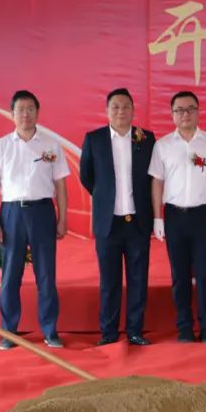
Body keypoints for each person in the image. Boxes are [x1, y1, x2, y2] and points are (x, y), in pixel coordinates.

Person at [0, 90, 69, 349]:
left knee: (46, 275)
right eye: (20, 109)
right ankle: (9, 332)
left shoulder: (51, 145)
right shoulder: (1, 145)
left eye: (31, 109)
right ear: (12, 114)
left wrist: (62, 219)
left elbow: (61, 186)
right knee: (11, 275)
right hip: (12, 213)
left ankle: (50, 331)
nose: (26, 114)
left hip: (42, 211)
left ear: (37, 112)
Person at [79, 88, 155, 346]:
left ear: (133, 110)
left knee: (138, 280)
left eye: (126, 107)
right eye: (115, 107)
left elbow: (153, 177)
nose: (121, 111)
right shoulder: (94, 139)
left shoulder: (146, 138)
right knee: (109, 281)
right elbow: (86, 176)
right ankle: (109, 333)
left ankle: (135, 331)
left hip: (137, 222)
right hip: (108, 223)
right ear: (107, 111)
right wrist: (105, 197)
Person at [149, 91, 206, 343]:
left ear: (198, 111)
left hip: (203, 216)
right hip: (174, 216)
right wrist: (157, 218)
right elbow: (157, 182)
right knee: (179, 275)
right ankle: (185, 327)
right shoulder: (163, 145)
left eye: (190, 108)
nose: (185, 114)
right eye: (179, 110)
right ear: (172, 114)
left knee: (205, 275)